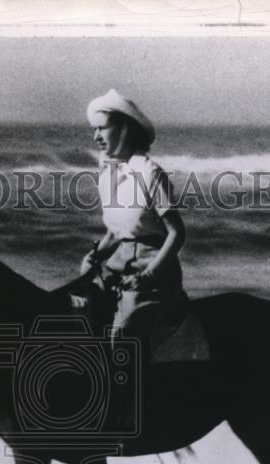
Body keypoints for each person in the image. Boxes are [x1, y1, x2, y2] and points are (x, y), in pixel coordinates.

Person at [76, 89, 187, 430]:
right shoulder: (107, 174)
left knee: (122, 335)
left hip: (154, 269)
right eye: (94, 129)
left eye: (103, 128)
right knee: (76, 311)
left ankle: (125, 413)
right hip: (118, 262)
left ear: (124, 129)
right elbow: (116, 231)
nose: (96, 136)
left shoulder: (149, 173)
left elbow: (176, 234)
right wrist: (94, 255)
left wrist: (150, 275)